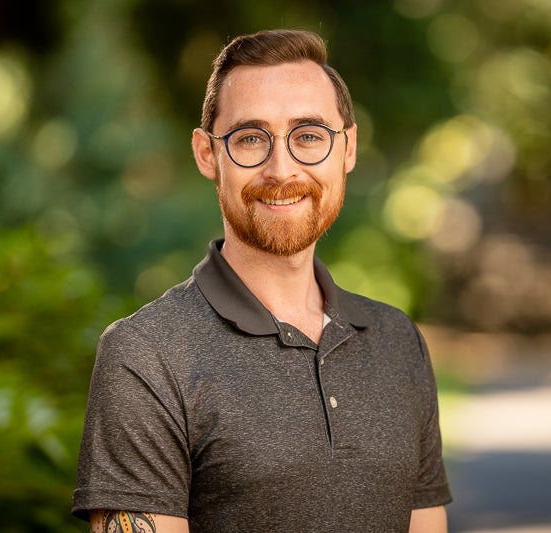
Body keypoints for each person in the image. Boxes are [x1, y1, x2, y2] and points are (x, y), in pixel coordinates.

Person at [72, 28, 452, 532]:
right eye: (251, 138)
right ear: (208, 154)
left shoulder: (398, 341)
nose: (282, 168)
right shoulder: (147, 355)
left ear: (349, 149)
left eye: (309, 136)